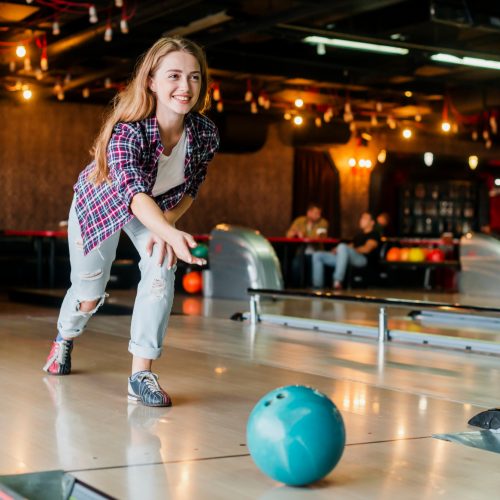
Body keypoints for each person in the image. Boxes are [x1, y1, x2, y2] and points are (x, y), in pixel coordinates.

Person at [42, 37, 220, 408]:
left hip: (154, 209)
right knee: (89, 294)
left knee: (161, 266)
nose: (185, 87)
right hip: (101, 205)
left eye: (194, 77)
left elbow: (193, 185)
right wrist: (168, 231)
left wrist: (167, 225)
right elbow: (132, 194)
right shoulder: (128, 130)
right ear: (151, 81)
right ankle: (64, 337)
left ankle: (141, 373)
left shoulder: (204, 133)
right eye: (173, 76)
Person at [312, 212, 380, 290]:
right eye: (361, 218)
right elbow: (350, 246)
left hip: (363, 260)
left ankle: (337, 281)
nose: (361, 220)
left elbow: (367, 249)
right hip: (348, 258)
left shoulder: (374, 234)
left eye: (364, 218)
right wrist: (337, 250)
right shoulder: (359, 235)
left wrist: (345, 249)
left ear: (372, 222)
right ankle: (317, 286)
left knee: (342, 247)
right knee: (318, 255)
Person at [286, 203, 329, 287]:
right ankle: (295, 288)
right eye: (316, 213)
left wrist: (304, 235)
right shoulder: (299, 221)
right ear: (309, 213)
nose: (318, 216)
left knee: (313, 262)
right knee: (296, 264)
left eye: (320, 213)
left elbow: (320, 237)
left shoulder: (323, 222)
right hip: (301, 251)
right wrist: (294, 233)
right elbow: (288, 235)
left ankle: (314, 287)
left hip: (317, 252)